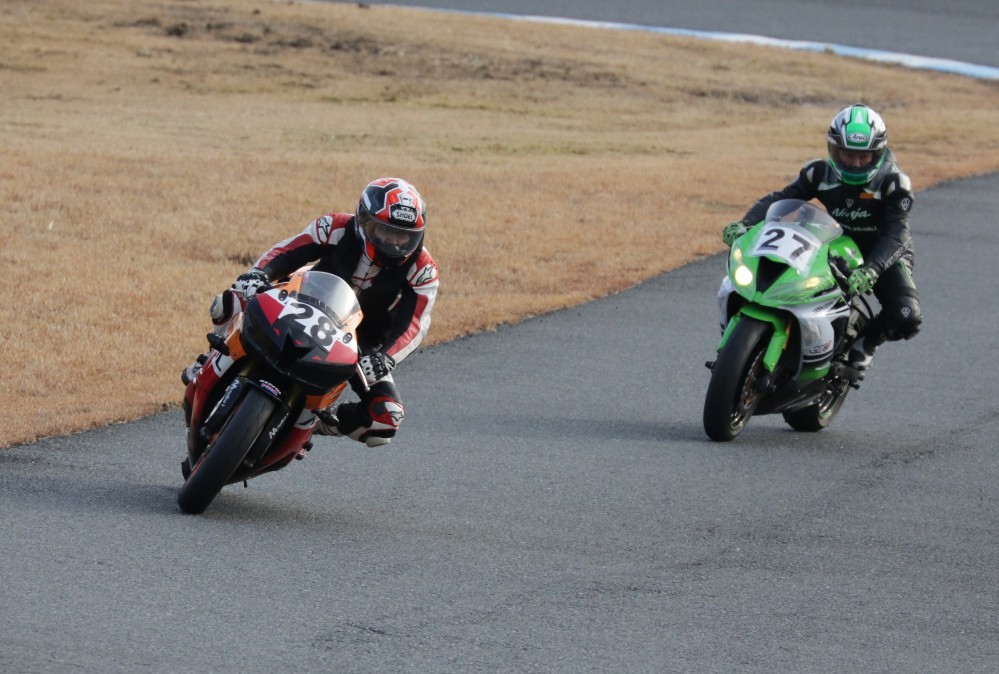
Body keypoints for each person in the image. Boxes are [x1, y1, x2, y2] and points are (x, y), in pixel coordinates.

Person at [183, 177, 440, 447]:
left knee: (387, 417)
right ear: (364, 221)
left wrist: (385, 357)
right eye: (386, 231)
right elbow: (288, 251)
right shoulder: (335, 226)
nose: (395, 242)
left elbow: (415, 323)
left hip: (359, 342)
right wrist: (259, 274)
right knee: (232, 298)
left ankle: (315, 424)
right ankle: (210, 359)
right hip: (303, 302)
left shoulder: (423, 270)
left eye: (404, 236)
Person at [721, 103, 922, 370]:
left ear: (878, 153)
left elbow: (898, 232)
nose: (855, 163)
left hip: (882, 250)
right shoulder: (817, 173)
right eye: (847, 154)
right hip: (833, 241)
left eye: (864, 156)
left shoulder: (894, 184)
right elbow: (780, 199)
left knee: (907, 315)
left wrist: (873, 269)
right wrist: (745, 223)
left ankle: (866, 343)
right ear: (833, 149)